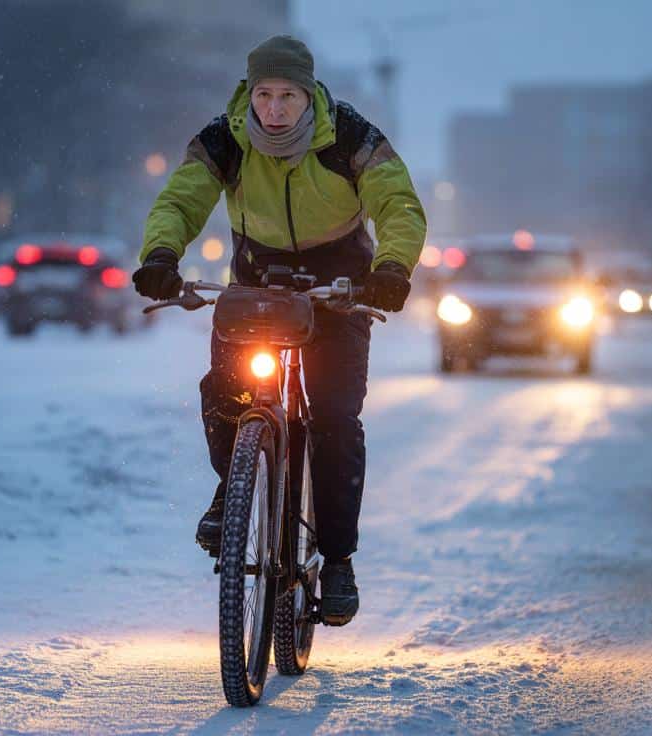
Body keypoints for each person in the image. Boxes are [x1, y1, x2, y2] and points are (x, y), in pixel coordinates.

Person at [132, 35, 426, 625]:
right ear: (249, 92)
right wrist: (162, 255)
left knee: (335, 419)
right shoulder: (226, 137)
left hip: (339, 288)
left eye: (287, 94)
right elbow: (180, 201)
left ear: (309, 93)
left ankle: (338, 560)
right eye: (264, 93)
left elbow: (398, 204)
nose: (274, 107)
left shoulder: (350, 136)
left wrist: (390, 269)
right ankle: (237, 486)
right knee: (226, 390)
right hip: (257, 283)